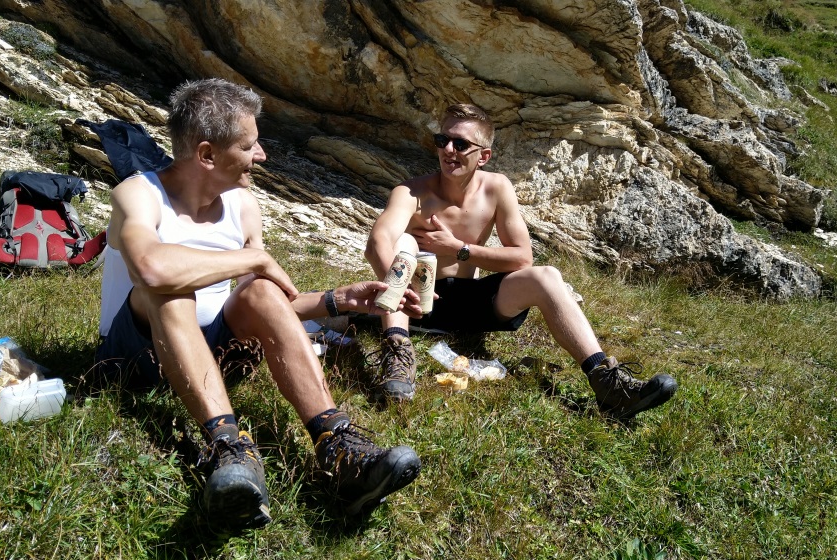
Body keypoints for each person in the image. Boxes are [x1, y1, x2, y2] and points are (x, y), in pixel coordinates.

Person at [95, 78, 422, 530]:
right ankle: (227, 447)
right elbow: (150, 270)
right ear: (207, 154)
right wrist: (255, 258)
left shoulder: (243, 206)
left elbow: (268, 306)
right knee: (169, 290)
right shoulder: (138, 194)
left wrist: (339, 300)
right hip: (134, 360)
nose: (262, 155)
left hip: (216, 354)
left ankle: (337, 446)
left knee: (263, 291)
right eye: (249, 145)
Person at [364, 103, 677, 418]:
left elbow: (522, 257)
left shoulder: (496, 188)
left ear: (483, 156)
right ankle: (397, 355)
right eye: (442, 140)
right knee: (403, 242)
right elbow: (377, 243)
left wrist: (460, 248)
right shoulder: (412, 192)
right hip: (416, 303)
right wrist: (403, 294)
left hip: (471, 304)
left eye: (460, 144)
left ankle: (607, 383)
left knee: (545, 276)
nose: (448, 150)